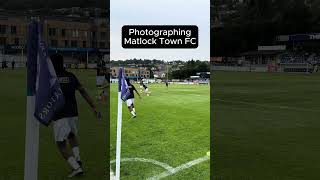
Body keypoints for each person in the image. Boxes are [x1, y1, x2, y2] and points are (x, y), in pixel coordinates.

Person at [50, 53, 101, 178]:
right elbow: (83, 91)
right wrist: (93, 107)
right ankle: (78, 159)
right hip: (73, 113)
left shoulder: (51, 79)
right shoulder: (71, 76)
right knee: (71, 136)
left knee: (60, 144)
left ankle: (76, 168)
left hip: (59, 115)